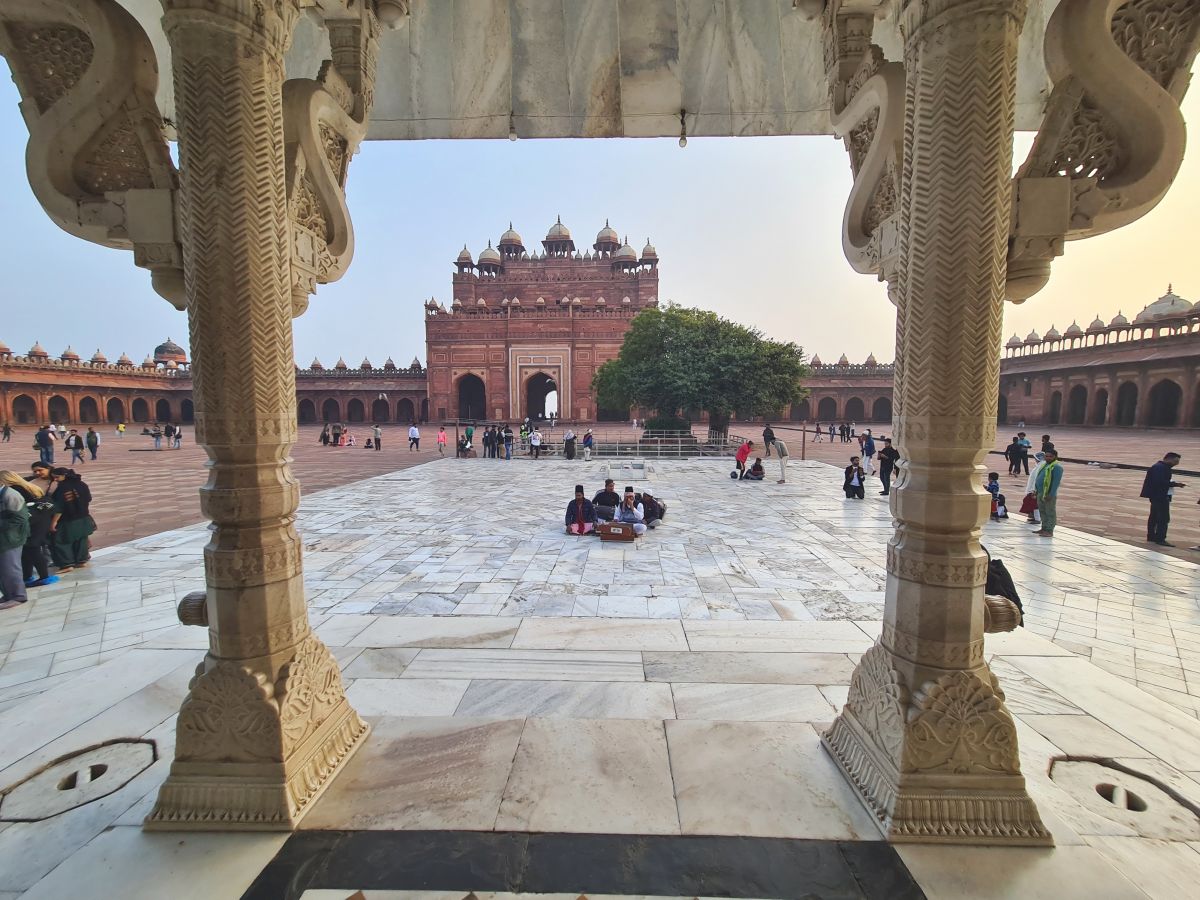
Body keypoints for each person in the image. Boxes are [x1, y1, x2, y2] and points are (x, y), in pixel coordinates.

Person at [1, 470, 57, 588]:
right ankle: (27, 576)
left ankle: (44, 576)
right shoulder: (26, 485)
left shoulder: (15, 489)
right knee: (28, 550)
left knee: (32, 548)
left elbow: (19, 509)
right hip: (40, 520)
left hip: (32, 522)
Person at [48, 467, 95, 571]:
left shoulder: (63, 488)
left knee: (61, 541)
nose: (55, 480)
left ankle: (67, 564)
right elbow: (89, 498)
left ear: (64, 476)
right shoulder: (81, 484)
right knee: (81, 539)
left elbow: (60, 506)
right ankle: (81, 561)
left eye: (57, 477)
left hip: (67, 520)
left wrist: (54, 522)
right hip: (83, 517)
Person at [1141, 452, 1185, 547]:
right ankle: (1160, 538)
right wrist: (1175, 484)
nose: (1176, 464)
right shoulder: (1160, 468)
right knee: (1163, 518)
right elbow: (1159, 482)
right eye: (1175, 461)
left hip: (1157, 495)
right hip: (1159, 496)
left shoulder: (1161, 467)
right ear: (1168, 458)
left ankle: (1152, 536)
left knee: (1155, 516)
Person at [0, 475, 31, 610]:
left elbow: (20, 518)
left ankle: (18, 596)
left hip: (11, 538)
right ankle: (8, 594)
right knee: (3, 568)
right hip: (4, 537)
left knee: (10, 567)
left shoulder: (11, 495)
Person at [1032, 448, 1062, 537]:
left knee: (1050, 512)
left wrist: (1051, 494)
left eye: (1050, 456)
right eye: (1046, 456)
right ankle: (1044, 528)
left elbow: (1055, 483)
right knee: (1042, 511)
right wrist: (1036, 491)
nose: (1048, 458)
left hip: (1049, 494)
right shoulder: (1044, 465)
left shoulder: (1057, 467)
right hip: (1040, 492)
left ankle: (1049, 530)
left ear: (1055, 457)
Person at [1021, 451, 1046, 524]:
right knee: (1031, 503)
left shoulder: (1041, 467)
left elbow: (1037, 479)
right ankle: (1033, 517)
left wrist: (1034, 490)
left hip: (1036, 489)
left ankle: (1037, 519)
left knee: (1035, 505)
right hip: (1034, 489)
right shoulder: (1039, 466)